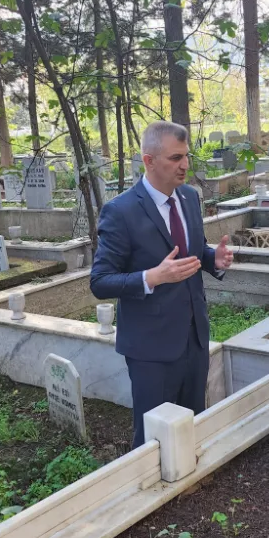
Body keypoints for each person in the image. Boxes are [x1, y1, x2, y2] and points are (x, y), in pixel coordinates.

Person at [90, 121, 234, 446]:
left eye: (186, 156)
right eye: (175, 158)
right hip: (150, 350)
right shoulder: (121, 211)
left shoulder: (189, 197)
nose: (184, 165)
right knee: (153, 438)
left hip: (194, 339)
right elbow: (100, 281)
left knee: (191, 426)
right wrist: (152, 277)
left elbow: (192, 251)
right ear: (149, 161)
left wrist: (213, 259)